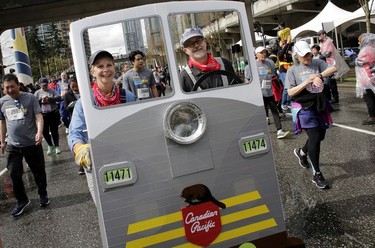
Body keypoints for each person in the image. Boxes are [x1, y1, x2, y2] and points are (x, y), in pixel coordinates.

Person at [68, 50, 136, 204]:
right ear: (92, 71)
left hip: (127, 160)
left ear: (115, 68)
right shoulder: (84, 103)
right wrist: (81, 150)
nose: (105, 69)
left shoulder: (128, 97)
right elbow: (74, 134)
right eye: (100, 66)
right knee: (106, 208)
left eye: (109, 65)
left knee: (132, 203)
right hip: (97, 164)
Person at [285, 41, 337, 189]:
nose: (307, 57)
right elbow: (290, 92)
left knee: (320, 136)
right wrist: (307, 81)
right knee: (314, 137)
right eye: (303, 55)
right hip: (303, 108)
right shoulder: (292, 70)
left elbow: (334, 68)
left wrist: (319, 75)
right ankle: (317, 174)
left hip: (319, 105)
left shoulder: (317, 63)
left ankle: (302, 153)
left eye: (308, 53)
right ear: (296, 56)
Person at [0, 73, 50, 216]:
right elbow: (2, 122)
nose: (10, 90)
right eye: (6, 88)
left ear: (18, 85)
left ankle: (42, 194)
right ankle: (22, 200)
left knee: (38, 171)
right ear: (3, 89)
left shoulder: (30, 98)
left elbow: (38, 116)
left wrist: (39, 132)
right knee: (14, 174)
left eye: (12, 87)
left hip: (31, 143)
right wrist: (2, 141)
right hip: (13, 145)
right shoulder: (2, 102)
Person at [254, 46, 291, 139]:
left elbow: (273, 75)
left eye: (264, 52)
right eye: (261, 53)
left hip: (269, 91)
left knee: (274, 111)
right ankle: (260, 132)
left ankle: (279, 130)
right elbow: (249, 80)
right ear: (256, 54)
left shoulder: (270, 63)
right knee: (260, 113)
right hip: (259, 94)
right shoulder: (252, 65)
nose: (263, 54)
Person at [34, 77, 62, 155]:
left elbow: (59, 98)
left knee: (54, 130)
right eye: (42, 85)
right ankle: (50, 145)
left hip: (53, 113)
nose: (44, 87)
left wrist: (49, 99)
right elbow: (33, 102)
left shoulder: (52, 91)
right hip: (43, 114)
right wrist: (41, 100)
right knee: (45, 131)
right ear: (39, 85)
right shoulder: (37, 93)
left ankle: (57, 146)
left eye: (46, 85)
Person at [354, 33, 375, 125]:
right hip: (372, 76)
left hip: (367, 78)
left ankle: (372, 116)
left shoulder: (365, 50)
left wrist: (354, 58)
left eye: (359, 41)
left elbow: (360, 63)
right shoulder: (373, 48)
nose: (359, 43)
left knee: (369, 98)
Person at [317, 30, 341, 104]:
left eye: (319, 35)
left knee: (331, 82)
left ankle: (335, 98)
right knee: (327, 82)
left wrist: (322, 56)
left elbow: (329, 54)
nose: (318, 37)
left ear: (324, 35)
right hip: (324, 65)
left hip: (330, 64)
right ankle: (330, 97)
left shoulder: (328, 42)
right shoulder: (321, 43)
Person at [277, 35, 294, 110]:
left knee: (289, 86)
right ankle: (283, 103)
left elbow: (291, 59)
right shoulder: (280, 52)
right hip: (283, 71)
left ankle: (288, 102)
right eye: (284, 44)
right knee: (286, 87)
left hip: (289, 70)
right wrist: (287, 44)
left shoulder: (288, 52)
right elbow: (281, 53)